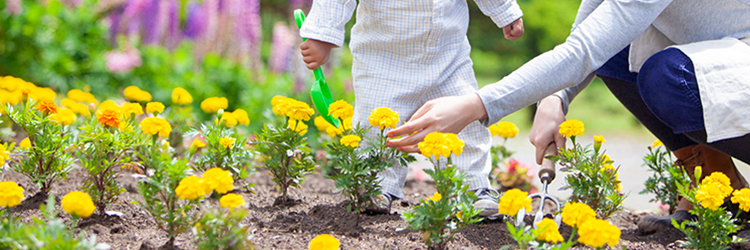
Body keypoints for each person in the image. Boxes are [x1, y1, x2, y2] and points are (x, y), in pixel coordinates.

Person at [385, 0, 750, 233]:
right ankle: (721, 188)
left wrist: (474, 106)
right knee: (619, 49)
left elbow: (583, 51)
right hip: (725, 56)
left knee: (667, 76)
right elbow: (591, 31)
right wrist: (556, 97)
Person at [299, 1, 525, 216]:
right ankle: (374, 184)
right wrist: (322, 35)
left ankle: (471, 186)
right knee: (377, 127)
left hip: (448, 56)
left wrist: (505, 10)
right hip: (383, 60)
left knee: (466, 120)